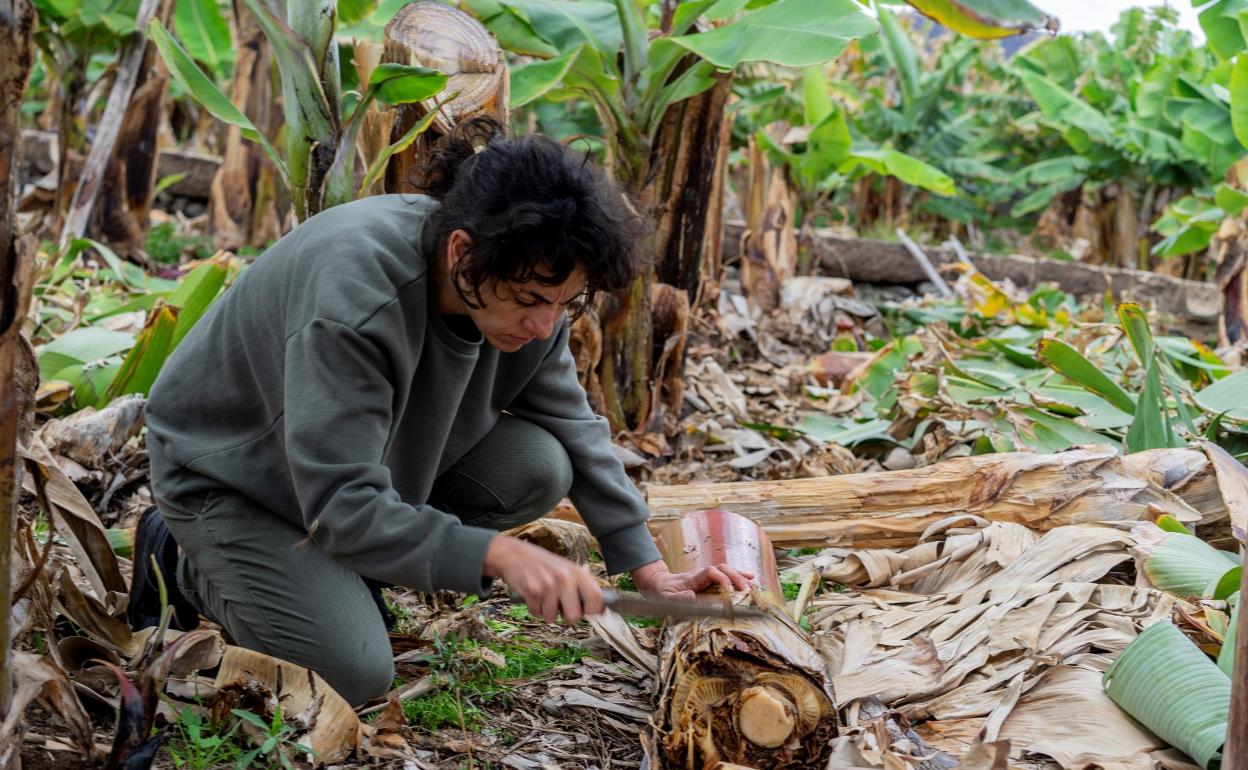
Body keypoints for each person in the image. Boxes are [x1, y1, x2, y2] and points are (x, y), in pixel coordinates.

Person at [130, 117, 752, 706]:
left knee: (541, 464)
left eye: (564, 304)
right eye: (530, 300)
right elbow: (342, 503)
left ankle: (346, 569)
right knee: (353, 672)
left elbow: (573, 424)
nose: (543, 326)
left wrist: (643, 566)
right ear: (462, 252)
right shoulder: (356, 298)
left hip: (344, 472)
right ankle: (179, 560)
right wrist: (497, 555)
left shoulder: (533, 288)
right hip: (233, 476)